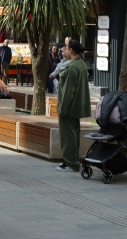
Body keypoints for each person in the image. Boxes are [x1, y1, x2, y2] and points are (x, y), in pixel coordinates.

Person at [56, 40, 90, 172]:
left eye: (66, 48)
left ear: (71, 50)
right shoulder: (81, 64)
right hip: (77, 106)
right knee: (74, 134)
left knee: (67, 136)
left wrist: (62, 108)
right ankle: (73, 161)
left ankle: (71, 162)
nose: (64, 50)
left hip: (69, 108)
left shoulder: (73, 67)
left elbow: (68, 91)